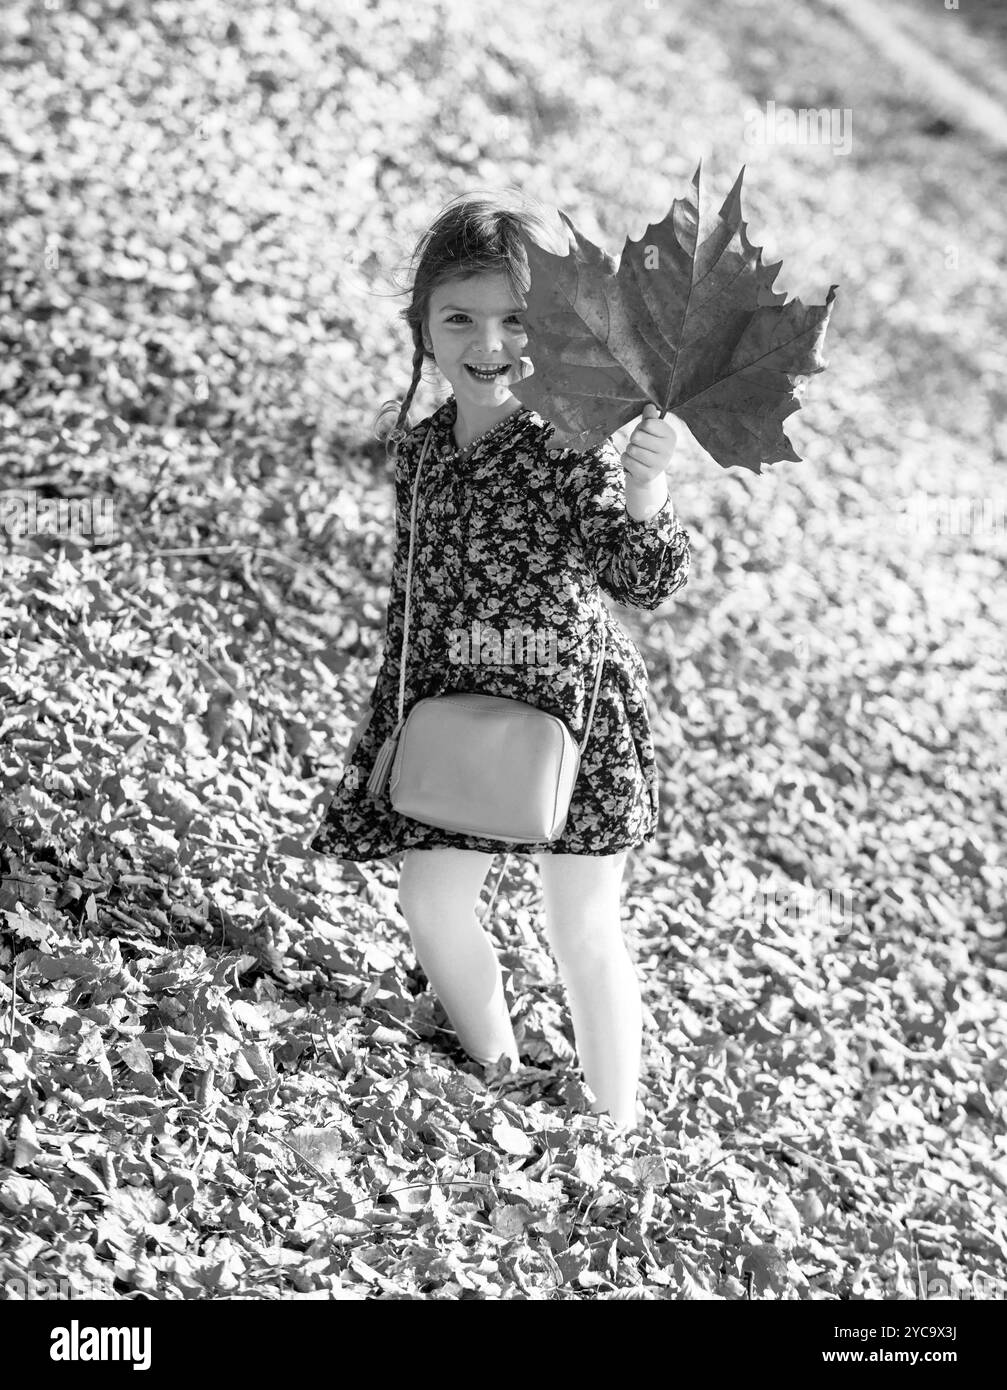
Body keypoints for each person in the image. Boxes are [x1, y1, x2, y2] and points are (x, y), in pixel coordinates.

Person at [310, 190, 691, 1129]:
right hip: (451, 708)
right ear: (425, 331)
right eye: (461, 318)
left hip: (574, 718)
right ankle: (497, 1069)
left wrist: (647, 490)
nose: (490, 343)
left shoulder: (571, 446)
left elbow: (639, 576)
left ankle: (615, 1121)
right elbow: (414, 605)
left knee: (582, 926)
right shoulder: (423, 453)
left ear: (551, 332)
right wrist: (386, 737)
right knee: (430, 898)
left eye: (516, 319)